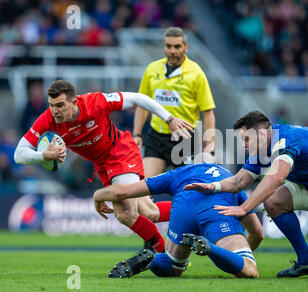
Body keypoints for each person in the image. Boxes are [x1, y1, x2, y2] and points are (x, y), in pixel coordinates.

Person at [184, 111, 308, 279]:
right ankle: (307, 261)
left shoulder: (284, 139)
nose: (243, 145)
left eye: (246, 139)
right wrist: (212, 187)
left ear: (260, 133)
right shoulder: (264, 147)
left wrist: (244, 207)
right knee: (274, 202)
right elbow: (238, 182)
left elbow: (277, 177)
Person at [14, 79, 194, 253]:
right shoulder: (48, 119)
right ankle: (195, 209)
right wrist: (43, 155)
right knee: (150, 212)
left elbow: (138, 98)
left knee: (125, 213)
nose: (55, 111)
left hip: (121, 152)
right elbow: (19, 153)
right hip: (103, 166)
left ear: (74, 102)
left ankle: (163, 254)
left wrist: (169, 119)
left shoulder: (95, 102)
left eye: (60, 105)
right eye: (51, 105)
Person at [93, 155, 263, 279]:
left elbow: (122, 191)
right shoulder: (230, 178)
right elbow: (257, 233)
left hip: (183, 210)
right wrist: (235, 259)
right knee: (249, 269)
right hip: (217, 210)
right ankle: (209, 248)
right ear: (215, 163)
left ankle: (151, 260)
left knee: (173, 269)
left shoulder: (177, 173)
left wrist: (98, 195)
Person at [133, 26, 216, 178]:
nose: (172, 51)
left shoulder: (196, 73)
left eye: (177, 46)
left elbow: (208, 112)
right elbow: (142, 105)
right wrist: (137, 134)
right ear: (164, 47)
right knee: (143, 186)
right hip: (156, 137)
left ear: (186, 47)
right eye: (168, 46)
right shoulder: (152, 69)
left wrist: (209, 145)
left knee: (188, 189)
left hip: (186, 139)